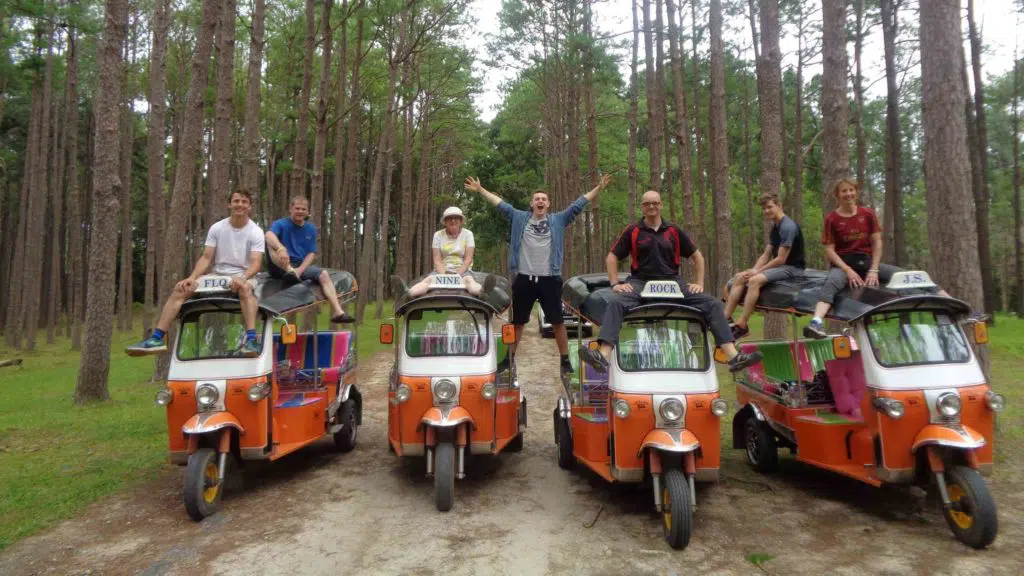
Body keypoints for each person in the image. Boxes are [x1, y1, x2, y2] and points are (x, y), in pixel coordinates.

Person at [578, 190, 763, 374]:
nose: (651, 206)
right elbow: (612, 257)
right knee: (616, 303)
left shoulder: (674, 231)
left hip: (674, 283)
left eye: (655, 203)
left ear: (661, 205)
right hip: (640, 283)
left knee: (713, 304)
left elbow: (698, 257)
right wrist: (614, 283)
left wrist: (699, 283)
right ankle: (602, 356)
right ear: (642, 207)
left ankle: (733, 356)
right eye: (647, 203)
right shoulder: (632, 231)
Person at [465, 173, 612, 376]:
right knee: (517, 322)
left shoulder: (558, 220)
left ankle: (564, 360)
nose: (540, 201)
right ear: (532, 203)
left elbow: (579, 205)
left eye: (543, 199)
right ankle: (509, 359)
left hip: (549, 279)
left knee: (558, 321)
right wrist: (481, 190)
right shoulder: (519, 218)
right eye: (537, 199)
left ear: (548, 204)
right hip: (524, 278)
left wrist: (598, 188)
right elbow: (500, 204)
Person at [803, 178, 952, 339]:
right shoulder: (832, 219)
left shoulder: (867, 214)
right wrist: (848, 270)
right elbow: (829, 250)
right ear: (837, 195)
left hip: (867, 262)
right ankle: (816, 322)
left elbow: (877, 242)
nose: (848, 194)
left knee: (910, 276)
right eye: (844, 191)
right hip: (843, 265)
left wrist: (874, 269)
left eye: (851, 190)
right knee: (831, 284)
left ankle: (952, 304)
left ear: (856, 192)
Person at [126, 189, 265, 356]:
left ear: (249, 206)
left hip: (244, 275)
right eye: (236, 201)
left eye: (244, 202)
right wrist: (192, 278)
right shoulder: (217, 228)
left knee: (246, 290)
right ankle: (157, 338)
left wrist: (242, 278)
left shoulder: (255, 231)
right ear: (229, 204)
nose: (240, 205)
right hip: (219, 275)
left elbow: (256, 263)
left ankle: (250, 340)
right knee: (181, 289)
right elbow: (206, 258)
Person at [723, 193, 806, 339]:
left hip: (793, 268)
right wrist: (752, 270)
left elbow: (780, 259)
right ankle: (725, 319)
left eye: (770, 207)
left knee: (755, 281)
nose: (767, 211)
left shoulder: (788, 227)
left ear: (779, 206)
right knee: (740, 277)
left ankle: (742, 324)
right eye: (764, 208)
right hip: (780, 267)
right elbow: (767, 253)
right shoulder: (775, 227)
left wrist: (757, 272)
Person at [265, 196, 352, 323]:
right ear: (291, 209)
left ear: (307, 212)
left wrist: (299, 270)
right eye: (297, 208)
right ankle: (290, 271)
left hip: (298, 266)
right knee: (269, 241)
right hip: (279, 265)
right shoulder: (280, 224)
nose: (300, 211)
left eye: (303, 209)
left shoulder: (310, 228)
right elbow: (268, 235)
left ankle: (338, 312)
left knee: (323, 274)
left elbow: (311, 253)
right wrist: (281, 249)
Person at [395, 206, 494, 297]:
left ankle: (482, 291)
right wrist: (443, 276)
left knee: (469, 281)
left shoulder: (468, 234)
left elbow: (468, 259)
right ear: (445, 221)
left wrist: (457, 276)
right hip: (441, 270)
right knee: (427, 281)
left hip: (463, 270)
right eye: (450, 218)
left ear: (461, 221)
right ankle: (407, 293)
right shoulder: (438, 235)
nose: (453, 220)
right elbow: (437, 260)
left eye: (456, 218)